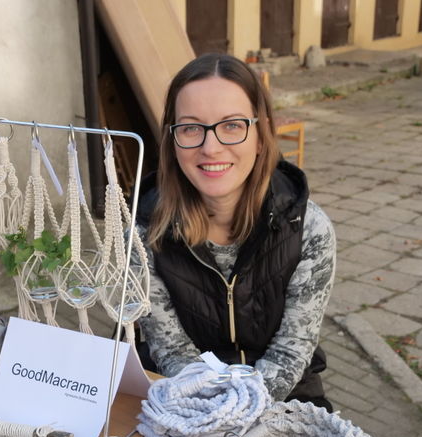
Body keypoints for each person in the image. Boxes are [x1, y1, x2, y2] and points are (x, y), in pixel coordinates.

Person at [134, 53, 337, 410]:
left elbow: (292, 350)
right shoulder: (143, 233)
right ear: (172, 139)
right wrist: (213, 416)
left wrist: (238, 413)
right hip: (185, 400)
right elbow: (172, 351)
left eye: (232, 125)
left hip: (286, 399)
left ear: (260, 135)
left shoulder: (307, 228)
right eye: (191, 128)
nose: (210, 147)